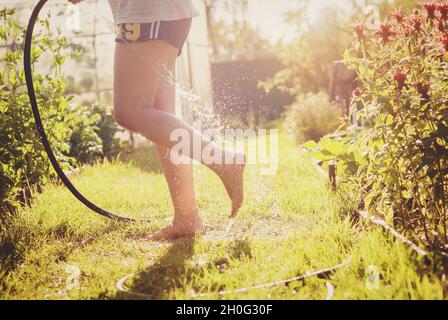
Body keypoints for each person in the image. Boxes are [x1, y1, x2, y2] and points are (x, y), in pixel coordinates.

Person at [68, 0, 245, 241]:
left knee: (131, 111)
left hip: (146, 13)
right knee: (160, 116)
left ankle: (223, 161)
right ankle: (187, 218)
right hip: (163, 15)